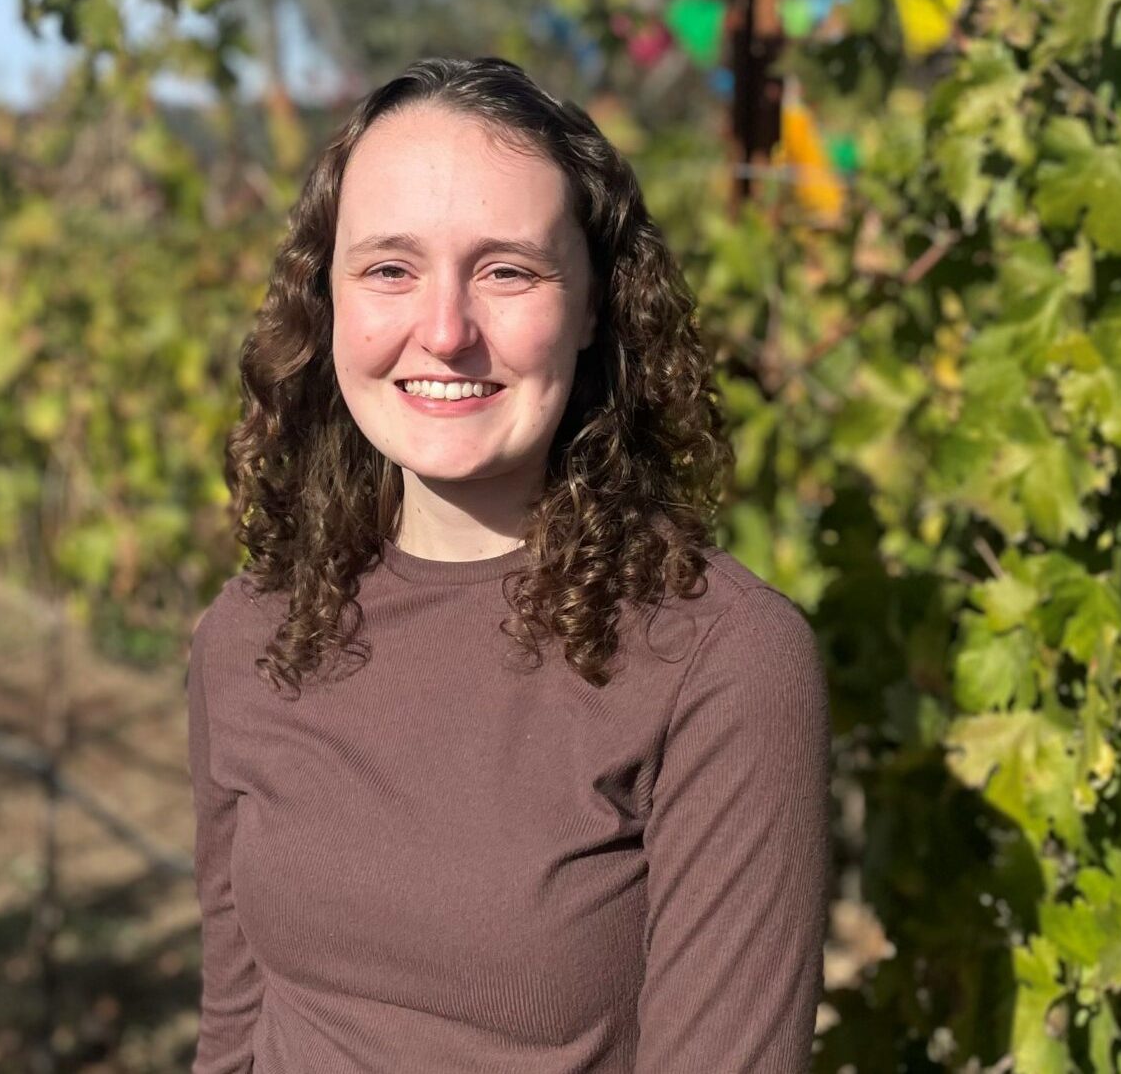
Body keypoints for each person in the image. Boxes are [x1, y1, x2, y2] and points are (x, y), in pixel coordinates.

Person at [185, 55, 830, 1072]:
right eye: (390, 267)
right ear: (330, 302)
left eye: (507, 270)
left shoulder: (718, 661)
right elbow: (234, 1033)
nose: (444, 332)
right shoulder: (250, 635)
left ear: (591, 309)